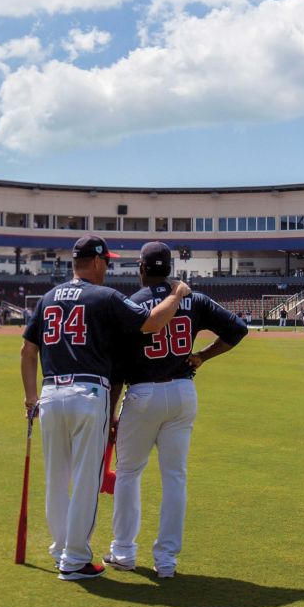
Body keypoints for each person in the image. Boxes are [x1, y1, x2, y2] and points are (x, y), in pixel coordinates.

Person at [20, 235, 190, 581]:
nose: (108, 267)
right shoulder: (105, 296)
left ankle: (60, 547)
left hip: (50, 393)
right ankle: (75, 559)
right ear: (96, 262)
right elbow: (153, 323)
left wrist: (29, 399)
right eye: (107, 262)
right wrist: (177, 295)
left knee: (56, 477)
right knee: (86, 478)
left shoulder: (49, 297)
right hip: (87, 393)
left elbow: (27, 351)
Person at [104, 242, 247, 579]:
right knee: (175, 478)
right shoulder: (192, 299)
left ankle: (123, 551)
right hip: (183, 391)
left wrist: (110, 414)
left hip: (141, 393)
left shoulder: (132, 304)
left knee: (128, 473)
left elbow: (115, 371)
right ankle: (166, 561)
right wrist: (202, 356)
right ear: (168, 268)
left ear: (142, 268)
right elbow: (237, 330)